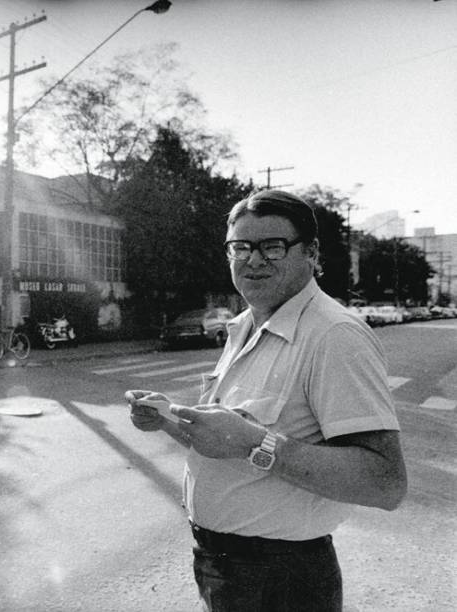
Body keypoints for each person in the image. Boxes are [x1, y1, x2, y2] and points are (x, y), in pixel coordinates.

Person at [127, 189, 407, 612]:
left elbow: (385, 482)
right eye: (240, 247)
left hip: (280, 581)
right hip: (225, 567)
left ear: (311, 252)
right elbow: (230, 438)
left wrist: (254, 443)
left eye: (272, 247)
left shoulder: (334, 335)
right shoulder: (245, 325)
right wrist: (168, 419)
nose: (253, 260)